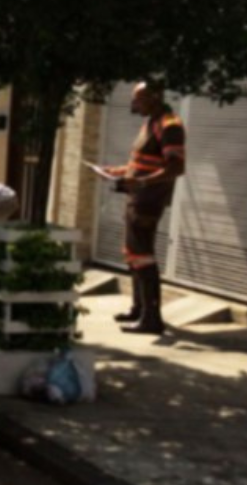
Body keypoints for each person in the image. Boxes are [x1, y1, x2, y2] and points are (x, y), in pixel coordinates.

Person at [101, 82, 186, 335]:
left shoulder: (170, 125)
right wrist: (116, 172)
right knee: (132, 253)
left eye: (138, 100)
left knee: (142, 255)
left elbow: (175, 168)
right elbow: (143, 163)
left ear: (155, 97)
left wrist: (140, 181)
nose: (133, 105)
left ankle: (152, 319)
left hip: (149, 200)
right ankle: (138, 308)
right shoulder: (151, 122)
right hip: (137, 197)